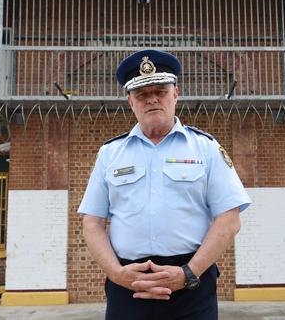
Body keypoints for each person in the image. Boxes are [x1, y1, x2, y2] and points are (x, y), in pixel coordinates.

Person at [78, 49, 250, 320]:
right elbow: (92, 223)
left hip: (191, 285)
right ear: (130, 101)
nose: (152, 99)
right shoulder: (110, 154)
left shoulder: (205, 148)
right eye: (142, 94)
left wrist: (189, 273)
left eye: (160, 90)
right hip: (128, 286)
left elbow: (229, 219)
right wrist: (115, 273)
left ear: (176, 94)